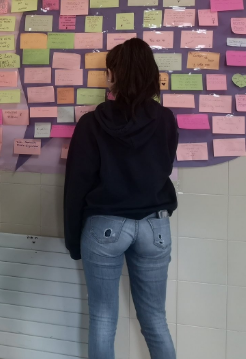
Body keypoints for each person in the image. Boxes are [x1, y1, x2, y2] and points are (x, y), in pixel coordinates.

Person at [64, 38, 178, 359]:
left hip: (105, 227)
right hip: (155, 226)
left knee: (102, 318)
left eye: (108, 70)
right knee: (155, 319)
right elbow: (163, 167)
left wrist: (73, 241)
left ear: (114, 76)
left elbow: (76, 187)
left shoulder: (91, 124)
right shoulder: (165, 119)